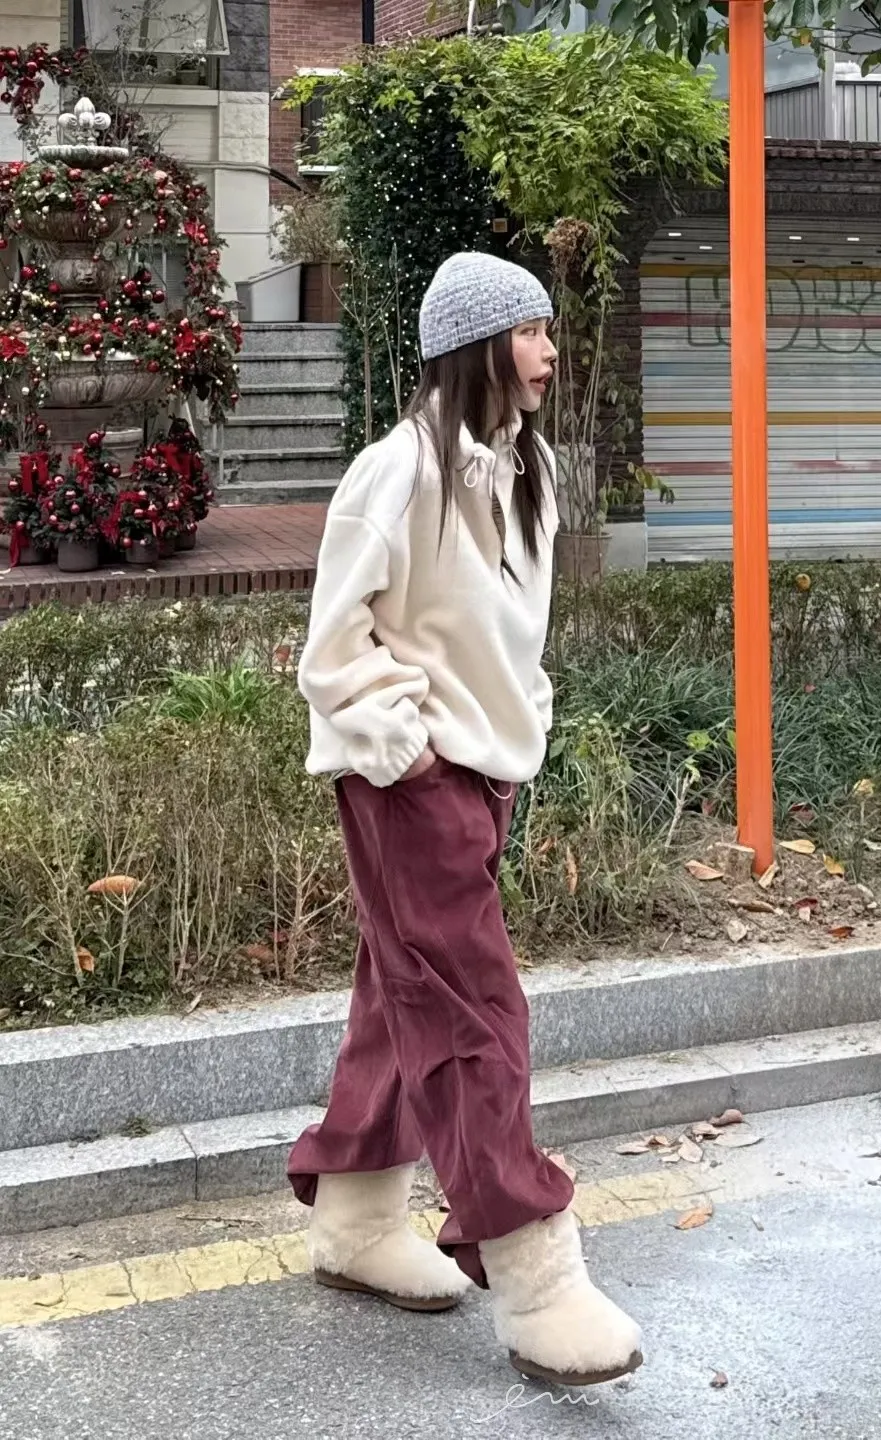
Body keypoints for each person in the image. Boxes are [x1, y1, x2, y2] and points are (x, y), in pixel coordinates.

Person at [287, 252, 644, 1388]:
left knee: (401, 995)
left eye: (547, 330)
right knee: (474, 1012)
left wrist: (514, 727)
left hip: (481, 773)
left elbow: (506, 635)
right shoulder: (396, 472)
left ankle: (354, 1218)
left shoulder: (527, 468)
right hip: (408, 779)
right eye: (530, 332)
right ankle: (537, 1276)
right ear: (476, 345)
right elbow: (331, 647)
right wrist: (407, 746)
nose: (549, 352)